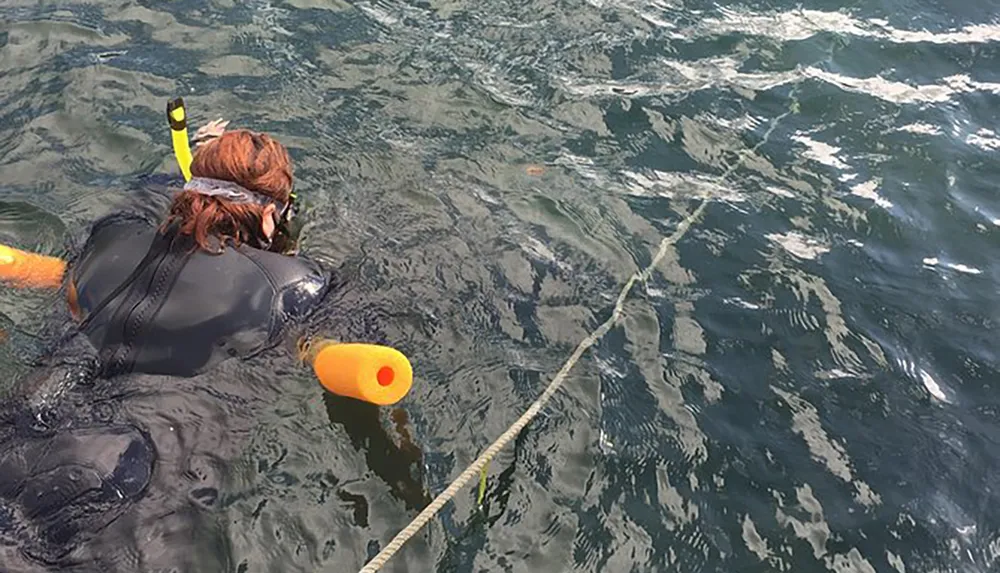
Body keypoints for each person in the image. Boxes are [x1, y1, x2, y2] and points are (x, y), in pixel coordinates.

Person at [0, 120, 332, 571]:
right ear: (273, 214)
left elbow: (145, 197)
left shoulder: (111, 237)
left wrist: (199, 160)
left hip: (30, 416)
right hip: (129, 475)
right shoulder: (286, 287)